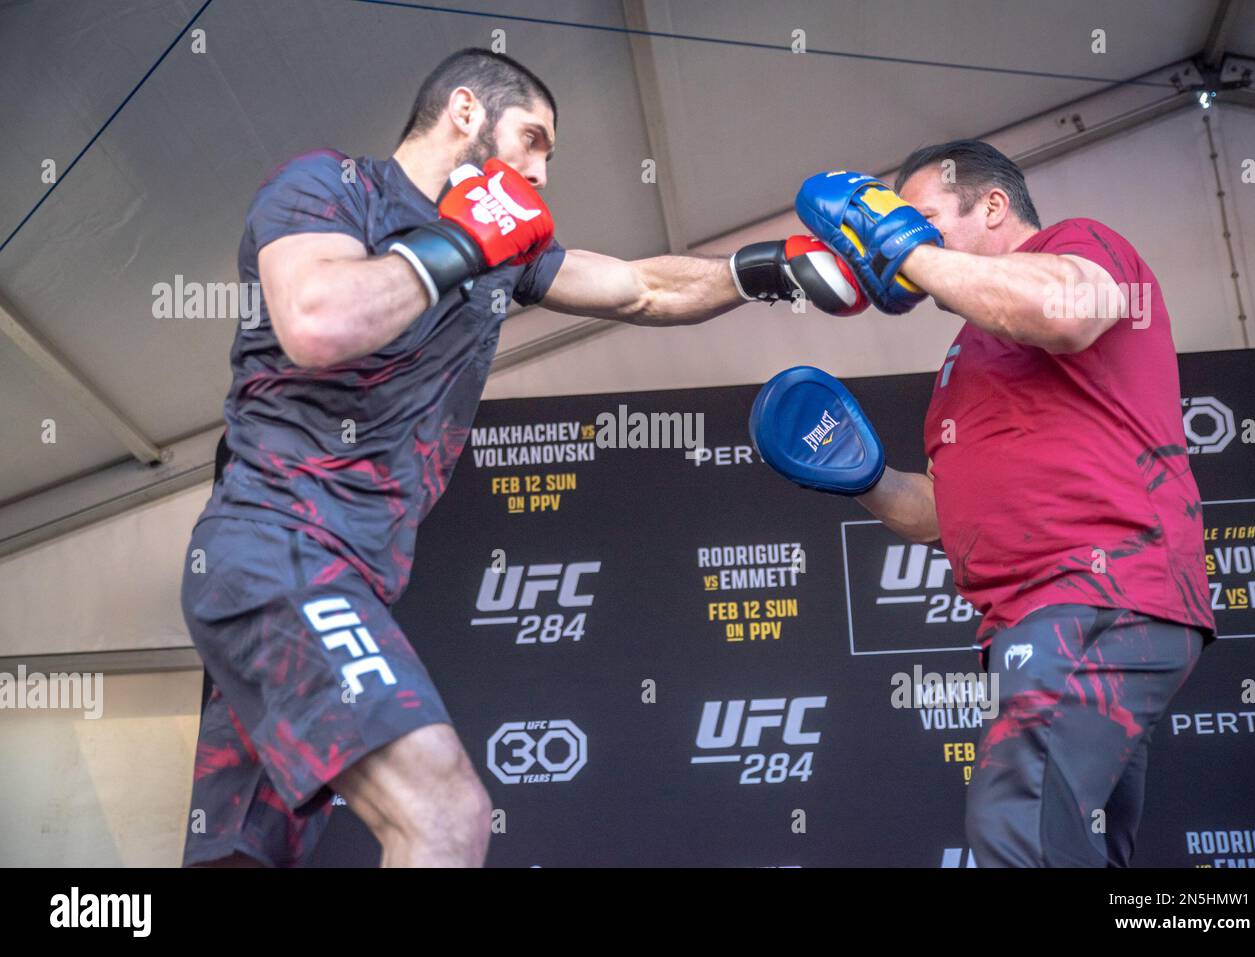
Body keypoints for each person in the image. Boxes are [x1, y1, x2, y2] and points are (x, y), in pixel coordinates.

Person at [181, 47, 861, 868]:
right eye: (532, 139)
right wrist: (459, 243)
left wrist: (768, 269)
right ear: (465, 111)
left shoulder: (509, 252)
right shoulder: (329, 188)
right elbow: (317, 320)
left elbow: (644, 288)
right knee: (444, 816)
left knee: (239, 857)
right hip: (278, 549)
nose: (540, 171)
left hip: (340, 576)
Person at [752, 140, 1215, 866]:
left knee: (1015, 836)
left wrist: (900, 244)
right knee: (1075, 848)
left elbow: (1065, 310)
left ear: (993, 204)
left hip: (1099, 594)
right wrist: (866, 477)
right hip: (1034, 616)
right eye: (890, 222)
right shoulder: (966, 356)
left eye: (917, 216)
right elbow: (951, 513)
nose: (896, 238)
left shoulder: (1081, 246)